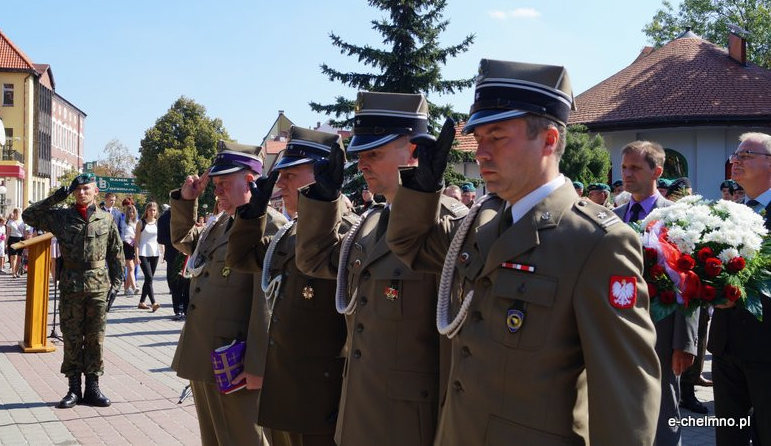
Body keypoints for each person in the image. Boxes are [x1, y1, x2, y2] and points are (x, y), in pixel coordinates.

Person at [386, 59, 661, 445]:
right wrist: (420, 188)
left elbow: (625, 391)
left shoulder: (596, 241)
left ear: (549, 140)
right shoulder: (482, 224)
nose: (481, 153)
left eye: (497, 137)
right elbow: (409, 246)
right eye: (479, 138)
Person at [296, 91, 468, 446]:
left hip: (409, 426)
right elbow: (314, 260)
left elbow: (454, 353)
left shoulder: (449, 224)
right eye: (360, 155)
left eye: (374, 154)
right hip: (358, 413)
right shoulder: (370, 222)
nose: (362, 165)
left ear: (415, 151)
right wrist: (324, 200)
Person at [228, 126, 358, 446]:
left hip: (321, 400)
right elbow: (242, 259)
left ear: (323, 173)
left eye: (290, 174)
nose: (281, 183)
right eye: (281, 175)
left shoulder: (348, 232)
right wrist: (251, 216)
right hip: (285, 391)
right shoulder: (291, 233)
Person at [170, 140, 286, 446]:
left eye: (224, 183)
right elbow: (185, 242)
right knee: (214, 437)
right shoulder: (221, 223)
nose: (217, 191)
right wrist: (186, 201)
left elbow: (267, 301)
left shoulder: (270, 226)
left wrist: (257, 365)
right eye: (216, 184)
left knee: (242, 438)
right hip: (205, 352)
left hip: (235, 360)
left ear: (249, 180)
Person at [614, 140, 698, 445]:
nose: (627, 174)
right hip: (616, 326)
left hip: (661, 329)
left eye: (635, 167)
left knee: (663, 408)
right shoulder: (612, 216)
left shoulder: (678, 219)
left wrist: (684, 342)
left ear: (657, 172)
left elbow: (691, 282)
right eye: (624, 167)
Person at [22, 173, 123, 409]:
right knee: (72, 338)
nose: (82, 192)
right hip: (71, 286)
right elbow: (29, 215)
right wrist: (56, 197)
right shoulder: (62, 217)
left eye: (86, 189)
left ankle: (93, 388)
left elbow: (116, 253)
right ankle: (74, 388)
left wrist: (116, 285)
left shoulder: (106, 219)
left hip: (98, 287)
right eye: (78, 189)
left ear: (95, 192)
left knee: (95, 338)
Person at [709, 132, 771, 445]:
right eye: (735, 155)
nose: (736, 160)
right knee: (728, 433)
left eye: (746, 155)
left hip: (766, 347)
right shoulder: (728, 214)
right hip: (726, 346)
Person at [157, 204, 189, 320]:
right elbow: (160, 239)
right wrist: (176, 242)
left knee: (187, 283)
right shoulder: (164, 218)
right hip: (173, 255)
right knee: (175, 284)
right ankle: (178, 310)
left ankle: (187, 309)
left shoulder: (187, 214)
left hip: (187, 254)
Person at [134, 202, 162, 312]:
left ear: (156, 211)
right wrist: (136, 256)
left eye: (154, 210)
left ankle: (141, 302)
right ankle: (154, 302)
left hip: (155, 252)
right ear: (146, 211)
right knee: (149, 277)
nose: (152, 212)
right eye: (150, 210)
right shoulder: (141, 223)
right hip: (143, 252)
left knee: (148, 279)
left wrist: (162, 251)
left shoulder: (157, 223)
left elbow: (159, 239)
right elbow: (136, 241)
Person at [121, 205, 139, 296]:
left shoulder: (137, 222)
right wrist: (130, 239)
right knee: (131, 268)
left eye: (133, 212)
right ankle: (134, 287)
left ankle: (126, 288)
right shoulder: (124, 222)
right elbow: (122, 235)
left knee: (132, 268)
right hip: (127, 246)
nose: (131, 214)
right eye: (129, 212)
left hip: (136, 246)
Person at [6, 208, 26, 278]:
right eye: (16, 213)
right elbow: (8, 233)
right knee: (13, 256)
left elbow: (24, 232)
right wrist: (6, 242)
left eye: (18, 213)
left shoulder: (22, 222)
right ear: (14, 213)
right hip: (12, 239)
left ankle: (17, 272)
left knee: (19, 257)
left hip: (20, 239)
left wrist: (26, 241)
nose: (17, 214)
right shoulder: (10, 222)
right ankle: (13, 272)